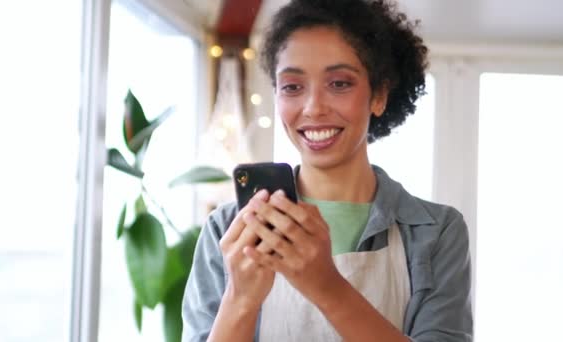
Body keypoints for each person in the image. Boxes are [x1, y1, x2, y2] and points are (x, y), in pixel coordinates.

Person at [182, 0, 473, 341]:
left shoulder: (435, 232)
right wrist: (240, 299)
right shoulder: (228, 230)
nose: (313, 107)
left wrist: (324, 284)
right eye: (292, 86)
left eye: (339, 83)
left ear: (379, 95)